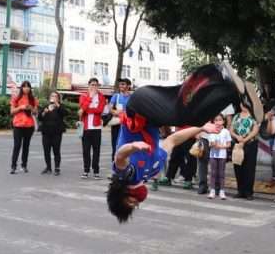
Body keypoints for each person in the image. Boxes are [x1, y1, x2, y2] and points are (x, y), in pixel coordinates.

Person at [107, 62, 262, 223]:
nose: (136, 202)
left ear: (120, 194)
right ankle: (234, 93)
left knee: (179, 113)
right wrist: (201, 128)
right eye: (134, 206)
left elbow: (120, 157)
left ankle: (216, 74)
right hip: (151, 114)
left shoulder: (127, 176)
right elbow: (172, 140)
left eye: (130, 202)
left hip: (138, 108)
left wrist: (133, 147)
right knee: (194, 118)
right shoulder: (152, 170)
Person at [230, 102, 260, 200]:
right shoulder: (236, 116)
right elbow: (231, 130)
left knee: (249, 168)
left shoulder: (254, 116)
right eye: (242, 104)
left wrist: (245, 139)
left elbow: (255, 130)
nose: (243, 106)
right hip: (238, 143)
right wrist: (237, 137)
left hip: (250, 144)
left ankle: (248, 192)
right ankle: (240, 190)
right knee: (238, 166)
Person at [79, 78, 107, 179]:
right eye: (92, 85)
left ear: (98, 86)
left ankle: (96, 171)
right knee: (86, 150)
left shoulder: (101, 96)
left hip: (96, 127)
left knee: (96, 150)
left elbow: (100, 110)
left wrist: (87, 110)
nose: (94, 87)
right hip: (86, 128)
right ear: (89, 85)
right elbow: (83, 108)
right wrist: (90, 97)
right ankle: (86, 170)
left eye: (96, 85)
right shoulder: (83, 96)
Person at [10, 80, 39, 174]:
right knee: (17, 145)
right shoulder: (16, 98)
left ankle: (24, 165)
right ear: (21, 88)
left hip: (29, 126)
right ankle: (13, 166)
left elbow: (36, 112)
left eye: (28, 86)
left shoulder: (33, 99)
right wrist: (20, 107)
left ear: (30, 88)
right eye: (24, 86)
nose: (26, 88)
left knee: (26, 146)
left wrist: (31, 108)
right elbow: (12, 112)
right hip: (18, 125)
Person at [38, 91, 67, 176]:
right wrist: (44, 112)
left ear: (58, 98)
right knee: (46, 150)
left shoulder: (60, 106)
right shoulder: (46, 106)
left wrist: (57, 104)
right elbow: (39, 118)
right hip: (46, 132)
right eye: (52, 96)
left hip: (57, 132)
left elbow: (65, 113)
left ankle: (57, 168)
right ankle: (48, 167)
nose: (53, 97)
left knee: (56, 150)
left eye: (55, 96)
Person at [207, 114, 231, 199]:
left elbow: (229, 144)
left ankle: (222, 191)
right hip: (213, 155)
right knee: (213, 173)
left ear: (223, 121)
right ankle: (212, 190)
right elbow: (210, 144)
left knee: (221, 173)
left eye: (220, 120)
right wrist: (213, 144)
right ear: (213, 122)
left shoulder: (226, 131)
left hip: (222, 155)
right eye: (216, 120)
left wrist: (220, 146)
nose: (218, 122)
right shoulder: (211, 131)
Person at [109, 78, 132, 159]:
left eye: (123, 84)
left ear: (128, 86)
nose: (121, 86)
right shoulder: (116, 96)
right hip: (117, 124)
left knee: (127, 145)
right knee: (115, 144)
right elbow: (110, 108)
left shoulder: (132, 97)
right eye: (120, 84)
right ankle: (115, 162)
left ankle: (127, 163)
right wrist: (115, 112)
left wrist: (125, 113)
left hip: (128, 124)